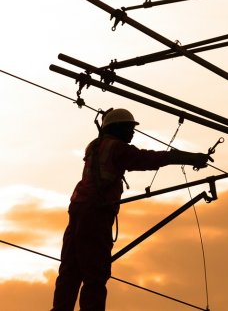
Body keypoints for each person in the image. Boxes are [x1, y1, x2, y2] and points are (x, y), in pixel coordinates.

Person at [51, 108, 210, 311]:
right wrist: (189, 158)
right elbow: (147, 158)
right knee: (95, 273)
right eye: (129, 128)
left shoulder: (95, 145)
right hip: (96, 213)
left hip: (78, 209)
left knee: (71, 269)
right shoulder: (117, 148)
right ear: (116, 128)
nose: (132, 133)